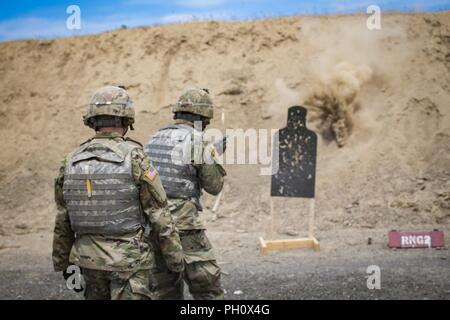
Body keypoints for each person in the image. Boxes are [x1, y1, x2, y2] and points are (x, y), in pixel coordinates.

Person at [52, 85, 184, 300]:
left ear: (92, 120)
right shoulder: (135, 157)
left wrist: (63, 264)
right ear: (126, 120)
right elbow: (159, 214)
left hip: (87, 261)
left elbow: (63, 220)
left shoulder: (70, 160)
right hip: (128, 263)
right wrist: (175, 260)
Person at [145, 88, 226, 300]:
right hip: (184, 226)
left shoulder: (153, 139)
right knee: (207, 287)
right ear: (203, 119)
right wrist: (213, 154)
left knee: (164, 291)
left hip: (153, 225)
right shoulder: (198, 140)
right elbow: (214, 186)